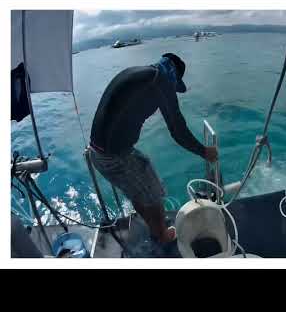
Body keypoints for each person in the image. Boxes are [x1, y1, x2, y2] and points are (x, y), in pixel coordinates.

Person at [89, 53, 218, 245]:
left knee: (141, 184)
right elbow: (178, 130)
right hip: (113, 156)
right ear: (173, 75)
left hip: (101, 152)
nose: (173, 90)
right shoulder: (160, 81)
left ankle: (153, 227)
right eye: (175, 86)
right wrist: (204, 152)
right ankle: (162, 235)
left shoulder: (143, 74)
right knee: (154, 194)